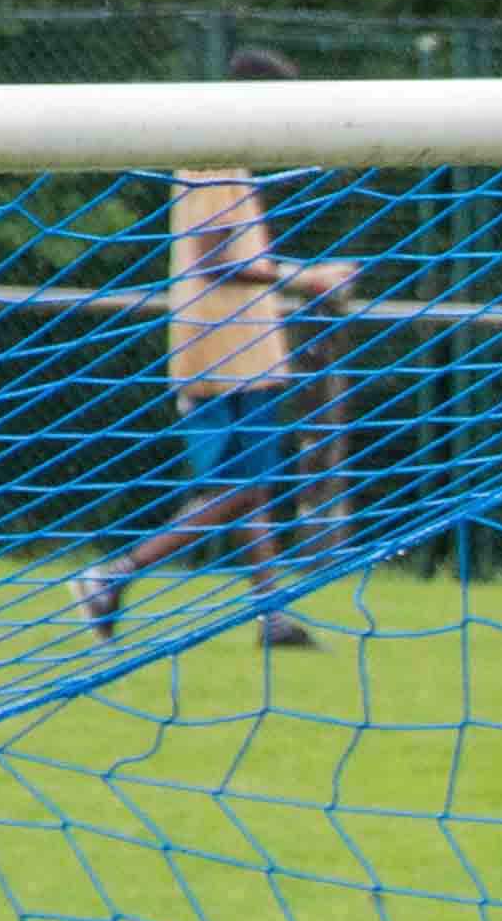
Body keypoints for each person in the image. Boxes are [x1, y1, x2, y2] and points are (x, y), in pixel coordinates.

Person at [76, 47, 350, 651]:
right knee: (239, 490)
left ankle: (272, 613)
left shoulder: (227, 158)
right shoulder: (215, 160)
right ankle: (115, 575)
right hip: (224, 353)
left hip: (236, 347)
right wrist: (311, 278)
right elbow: (216, 259)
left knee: (244, 486)